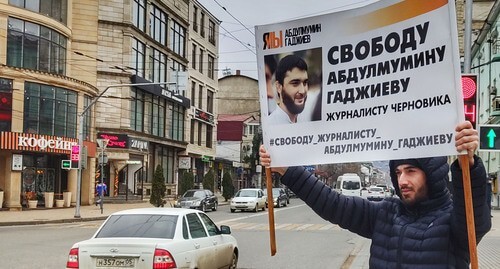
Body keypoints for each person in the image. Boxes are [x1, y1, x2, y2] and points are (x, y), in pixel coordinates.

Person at [259, 121, 491, 268]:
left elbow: (476, 218)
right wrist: (287, 170)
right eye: (398, 172)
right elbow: (333, 204)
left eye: (411, 171)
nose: (402, 180)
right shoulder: (386, 213)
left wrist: (468, 166)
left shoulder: (454, 220)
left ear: (431, 174)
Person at [267, 54, 309, 125]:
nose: (302, 91)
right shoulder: (270, 125)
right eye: (295, 83)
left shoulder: (307, 121)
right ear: (279, 87)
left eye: (305, 83)